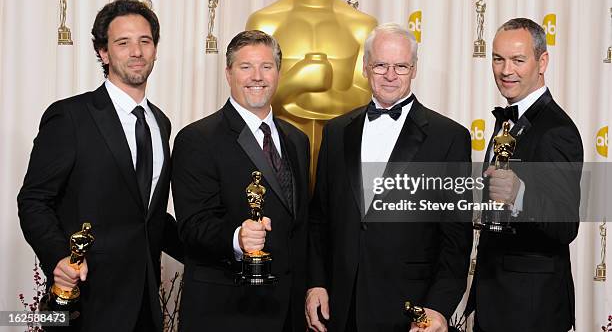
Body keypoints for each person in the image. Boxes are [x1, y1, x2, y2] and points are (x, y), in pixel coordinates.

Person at [17, 0, 182, 331]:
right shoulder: (70, 117)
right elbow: (34, 201)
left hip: (145, 303)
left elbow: (148, 215)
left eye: (145, 41)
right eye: (123, 43)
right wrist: (58, 259)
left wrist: (226, 246)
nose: (136, 51)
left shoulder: (160, 123)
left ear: (154, 49)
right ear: (104, 53)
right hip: (87, 302)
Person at [307, 23, 473, 332]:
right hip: (340, 307)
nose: (390, 75)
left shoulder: (448, 137)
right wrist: (315, 283)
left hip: (411, 311)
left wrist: (438, 308)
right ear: (366, 68)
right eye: (381, 65)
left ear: (414, 70)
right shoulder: (336, 131)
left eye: (401, 66)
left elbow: (456, 238)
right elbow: (319, 218)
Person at [171, 30, 310, 331]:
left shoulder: (297, 140)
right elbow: (192, 226)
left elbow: (300, 226)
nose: (256, 76)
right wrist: (237, 239)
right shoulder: (197, 139)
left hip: (288, 311)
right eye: (246, 67)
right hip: (227, 312)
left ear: (278, 72)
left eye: (266, 66)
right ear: (228, 73)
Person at [468, 18, 583, 332]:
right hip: (496, 301)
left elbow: (565, 224)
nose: (506, 71)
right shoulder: (506, 121)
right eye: (498, 59)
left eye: (518, 60)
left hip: (532, 310)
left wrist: (520, 194)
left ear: (542, 61)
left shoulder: (557, 131)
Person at [246, 0, 377, 175]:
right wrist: (296, 81)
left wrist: (306, 100)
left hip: (343, 152)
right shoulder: (264, 22)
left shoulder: (362, 25)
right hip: (275, 149)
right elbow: (248, 95)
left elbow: (369, 95)